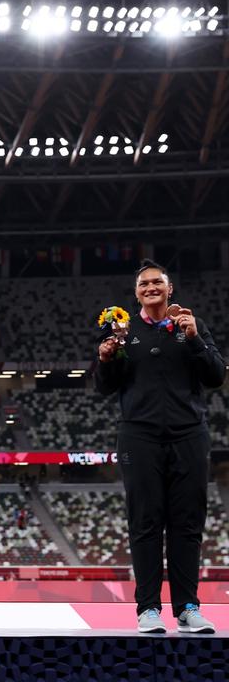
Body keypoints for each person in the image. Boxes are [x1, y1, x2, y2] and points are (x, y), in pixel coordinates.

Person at [95, 259, 225, 634]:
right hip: (139, 435)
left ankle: (187, 607)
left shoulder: (190, 327)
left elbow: (215, 376)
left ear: (170, 289)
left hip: (189, 434)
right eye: (144, 284)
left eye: (157, 282)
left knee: (187, 523)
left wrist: (195, 338)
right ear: (136, 293)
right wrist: (105, 360)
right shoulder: (123, 331)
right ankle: (148, 609)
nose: (150, 287)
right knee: (145, 522)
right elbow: (106, 386)